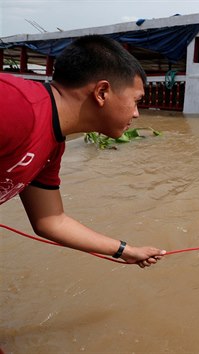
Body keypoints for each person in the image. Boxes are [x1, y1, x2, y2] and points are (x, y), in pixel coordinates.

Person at [0, 35, 165, 268]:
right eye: (136, 101)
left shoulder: (53, 145)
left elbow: (51, 221)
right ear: (102, 93)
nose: (137, 114)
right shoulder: (16, 105)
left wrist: (126, 251)